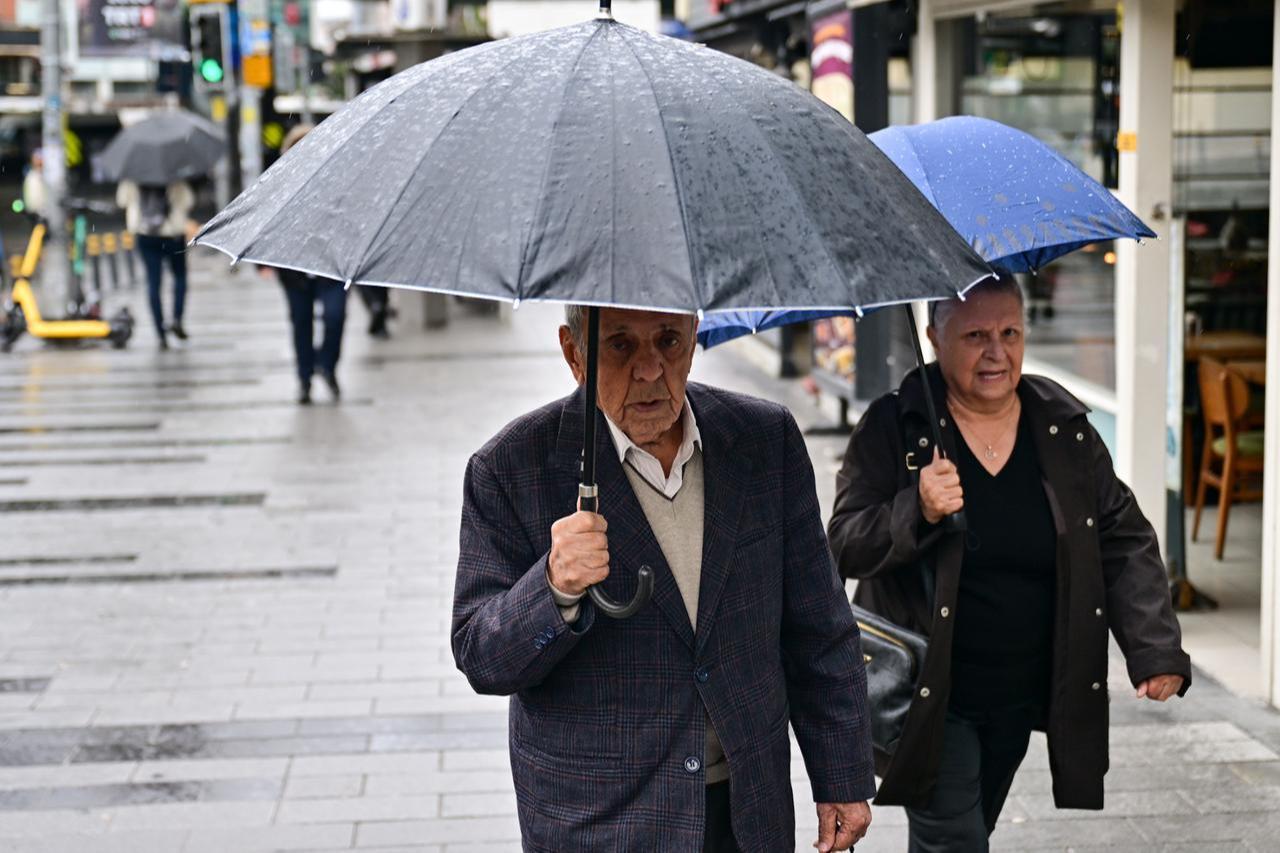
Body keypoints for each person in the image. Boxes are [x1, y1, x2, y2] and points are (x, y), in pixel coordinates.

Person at [453, 306, 875, 851]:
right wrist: (553, 586)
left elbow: (820, 626)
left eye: (669, 341)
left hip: (745, 812)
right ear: (573, 353)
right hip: (602, 823)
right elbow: (481, 655)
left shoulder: (764, 440)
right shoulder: (511, 467)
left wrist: (840, 776)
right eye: (622, 346)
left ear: (695, 338)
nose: (651, 370)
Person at [827, 274, 1191, 852]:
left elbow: (1121, 536)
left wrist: (1154, 647)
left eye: (1010, 332)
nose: (996, 351)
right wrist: (915, 510)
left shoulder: (1061, 429)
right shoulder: (898, 429)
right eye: (974, 335)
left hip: (1022, 690)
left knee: (971, 830)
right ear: (933, 337)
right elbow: (843, 543)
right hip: (929, 697)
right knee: (956, 840)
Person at [270, 124, 346, 405]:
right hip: (295, 271)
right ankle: (304, 378)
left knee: (335, 317)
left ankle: (327, 365)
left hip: (331, 266)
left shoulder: (337, 180)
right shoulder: (280, 186)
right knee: (301, 323)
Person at [117, 178, 195, 349]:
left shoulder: (133, 174)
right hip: (172, 234)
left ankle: (160, 333)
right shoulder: (174, 173)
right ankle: (177, 318)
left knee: (153, 283)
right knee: (180, 276)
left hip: (145, 234)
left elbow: (122, 200)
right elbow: (188, 201)